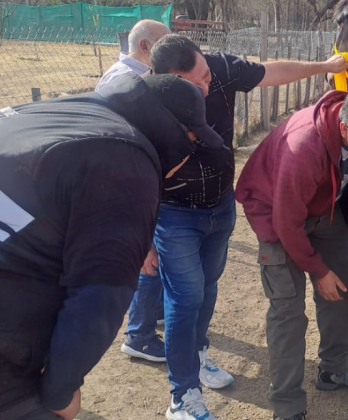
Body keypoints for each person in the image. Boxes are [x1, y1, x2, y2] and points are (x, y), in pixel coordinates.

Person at [147, 34, 348, 420]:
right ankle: (183, 393)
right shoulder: (144, 102)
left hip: (220, 205)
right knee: (184, 299)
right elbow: (131, 173)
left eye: (207, 75)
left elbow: (271, 72)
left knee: (207, 288)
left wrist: (325, 67)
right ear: (167, 81)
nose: (207, 87)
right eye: (196, 84)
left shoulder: (220, 68)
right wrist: (143, 237)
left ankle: (198, 353)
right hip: (174, 214)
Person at [0, 73, 223, 420]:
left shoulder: (70, 112)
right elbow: (98, 298)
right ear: (172, 133)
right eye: (192, 143)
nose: (187, 160)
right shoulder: (126, 162)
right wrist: (61, 390)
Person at [235, 84, 348, 420]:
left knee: (340, 294)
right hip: (276, 216)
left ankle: (335, 369)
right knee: (288, 315)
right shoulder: (304, 147)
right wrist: (317, 270)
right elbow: (286, 222)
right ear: (344, 129)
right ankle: (287, 407)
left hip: (325, 211)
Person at [95, 18, 172, 363]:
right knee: (150, 255)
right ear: (145, 47)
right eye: (164, 44)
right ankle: (138, 335)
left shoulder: (129, 76)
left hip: (139, 178)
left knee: (155, 252)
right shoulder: (129, 82)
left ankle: (152, 313)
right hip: (131, 182)